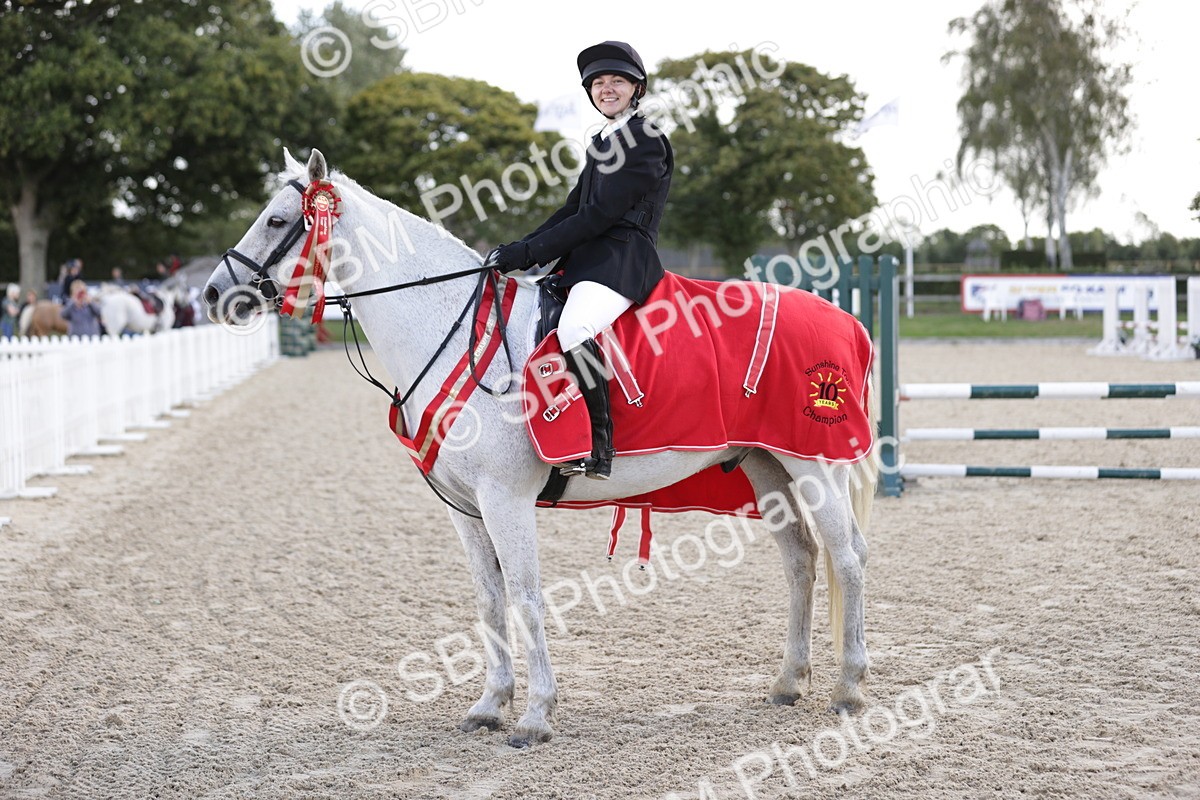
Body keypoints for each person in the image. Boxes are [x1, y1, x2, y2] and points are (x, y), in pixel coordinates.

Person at [488, 41, 673, 480]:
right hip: (589, 258)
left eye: (617, 81)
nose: (607, 89)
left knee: (575, 327)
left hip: (623, 258)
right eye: (599, 83)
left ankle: (599, 440)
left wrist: (531, 253)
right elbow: (572, 210)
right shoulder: (601, 142)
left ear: (637, 88)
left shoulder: (646, 140)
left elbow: (602, 215)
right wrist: (516, 250)